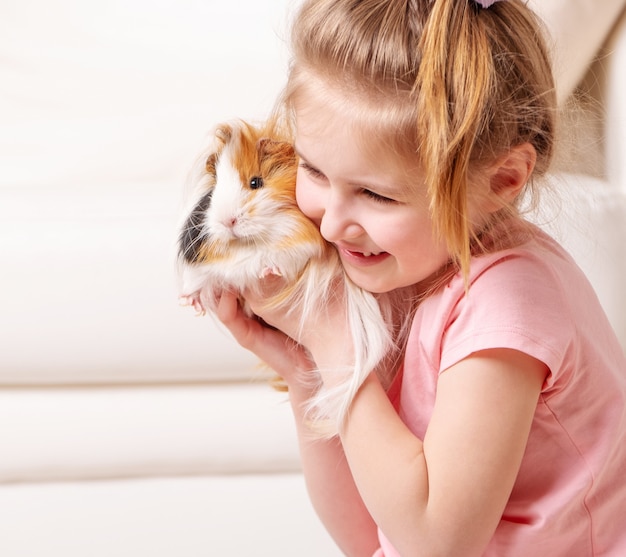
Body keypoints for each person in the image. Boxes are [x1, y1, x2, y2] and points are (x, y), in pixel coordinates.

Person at [211, 0, 626, 555]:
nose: (332, 224)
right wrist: (306, 368)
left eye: (376, 194)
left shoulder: (506, 305)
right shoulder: (405, 265)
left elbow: (437, 543)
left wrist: (335, 340)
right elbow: (368, 539)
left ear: (501, 180)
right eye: (313, 170)